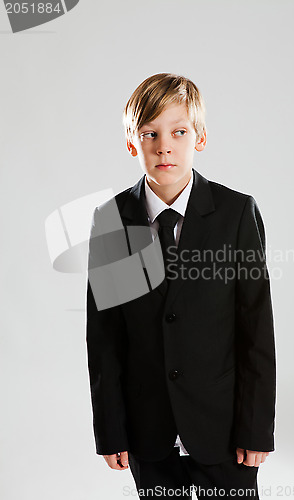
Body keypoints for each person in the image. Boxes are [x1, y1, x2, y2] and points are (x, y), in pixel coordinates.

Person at [86, 73, 276, 499]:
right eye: (149, 133)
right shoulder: (112, 220)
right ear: (132, 143)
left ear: (200, 138)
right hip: (147, 430)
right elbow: (104, 338)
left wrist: (256, 428)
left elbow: (256, 331)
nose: (164, 146)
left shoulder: (236, 213)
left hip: (224, 431)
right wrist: (110, 429)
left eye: (178, 131)